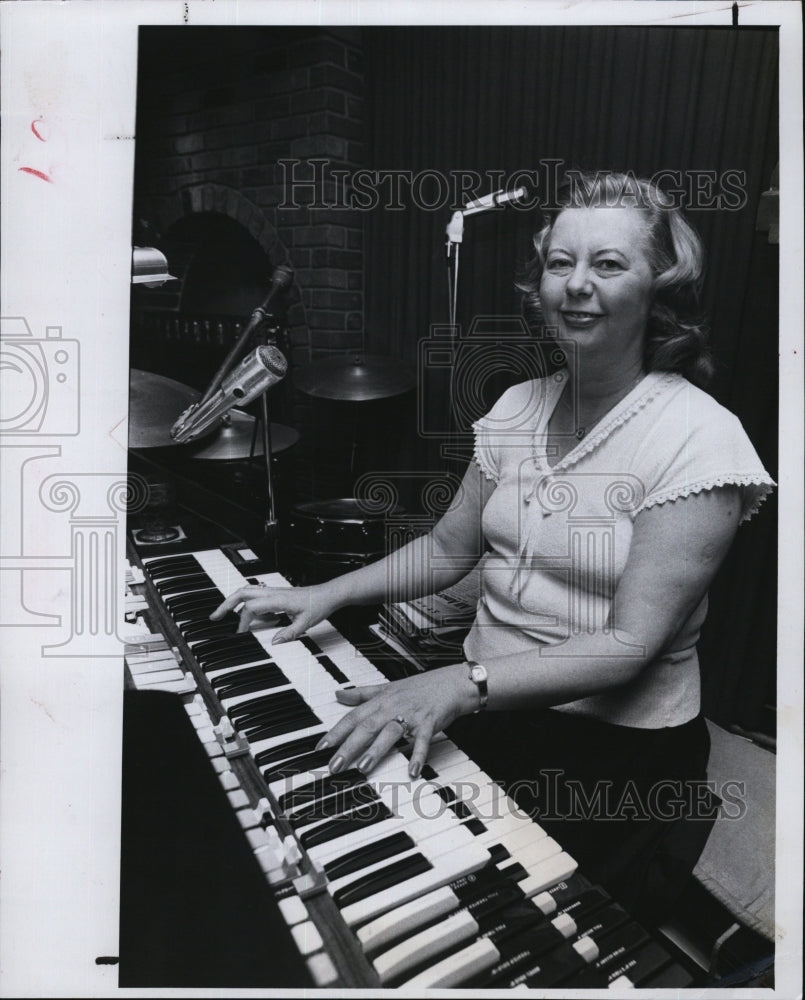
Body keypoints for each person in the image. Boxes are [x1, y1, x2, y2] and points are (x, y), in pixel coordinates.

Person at [211, 172, 774, 924]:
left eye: (607, 264)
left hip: (610, 757)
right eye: (558, 262)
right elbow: (446, 550)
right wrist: (325, 595)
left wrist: (454, 684)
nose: (575, 285)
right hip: (494, 711)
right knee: (407, 886)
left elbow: (630, 642)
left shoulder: (699, 436)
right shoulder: (515, 406)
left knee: (532, 929)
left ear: (656, 288)